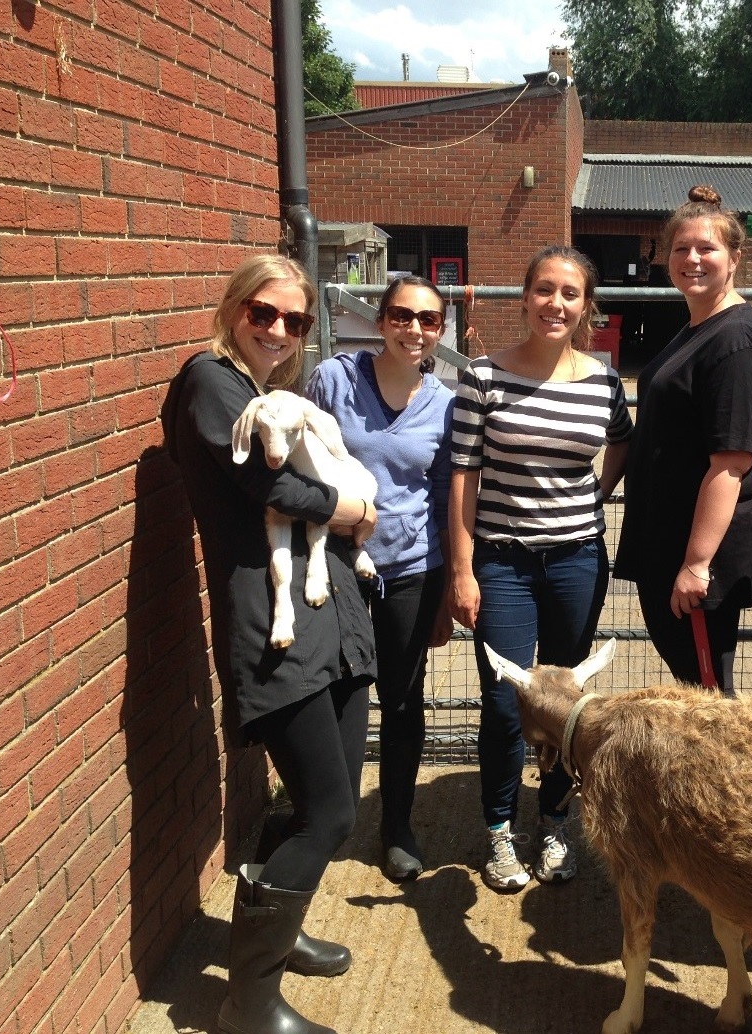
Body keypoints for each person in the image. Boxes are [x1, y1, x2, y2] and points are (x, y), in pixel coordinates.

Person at [160, 254, 376, 1034]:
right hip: (273, 627)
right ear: (233, 308)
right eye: (264, 313)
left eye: (297, 321)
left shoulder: (264, 392)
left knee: (331, 800)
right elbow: (270, 487)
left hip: (332, 617)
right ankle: (248, 1004)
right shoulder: (209, 382)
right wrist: (350, 509)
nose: (279, 331)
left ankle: (279, 938)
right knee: (326, 812)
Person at [449, 244, 632, 892]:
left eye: (570, 293)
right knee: (504, 703)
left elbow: (621, 443)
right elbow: (464, 474)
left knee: (564, 707)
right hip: (502, 563)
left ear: (586, 306)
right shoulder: (482, 376)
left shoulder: (604, 381)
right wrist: (462, 569)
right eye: (545, 290)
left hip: (577, 561)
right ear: (525, 298)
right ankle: (500, 831)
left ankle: (554, 821)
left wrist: (595, 497)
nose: (557, 303)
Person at [307, 275, 455, 884]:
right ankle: (324, 816)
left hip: (413, 568)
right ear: (380, 319)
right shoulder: (334, 380)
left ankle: (397, 824)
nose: (413, 329)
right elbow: (305, 454)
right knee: (336, 690)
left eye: (427, 319)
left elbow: (446, 496)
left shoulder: (445, 404)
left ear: (440, 330)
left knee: (401, 699)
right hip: (338, 562)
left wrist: (445, 592)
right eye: (401, 315)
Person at [613, 185, 752, 693]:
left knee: (707, 694)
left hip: (696, 557)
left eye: (707, 248)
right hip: (667, 543)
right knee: (694, 686)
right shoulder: (696, 328)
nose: (692, 258)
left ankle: (724, 777)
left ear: (733, 258)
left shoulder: (734, 343)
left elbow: (730, 465)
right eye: (681, 248)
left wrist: (696, 564)